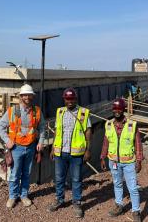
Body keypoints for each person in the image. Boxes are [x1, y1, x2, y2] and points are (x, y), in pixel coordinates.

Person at [0, 84, 45, 209]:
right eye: (25, 95)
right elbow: (0, 126)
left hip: (30, 147)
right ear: (21, 96)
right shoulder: (12, 111)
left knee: (26, 173)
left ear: (32, 96)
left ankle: (24, 195)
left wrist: (41, 142)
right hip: (16, 148)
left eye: (29, 95)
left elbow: (42, 128)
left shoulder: (37, 111)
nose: (27, 97)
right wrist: (7, 140)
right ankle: (13, 196)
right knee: (14, 174)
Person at [48, 87, 92, 218]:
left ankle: (77, 202)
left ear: (76, 99)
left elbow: (88, 132)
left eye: (72, 99)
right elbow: (57, 131)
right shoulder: (60, 112)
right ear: (64, 99)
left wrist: (88, 150)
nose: (70, 101)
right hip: (60, 152)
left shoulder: (83, 113)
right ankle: (59, 199)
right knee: (59, 178)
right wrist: (52, 148)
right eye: (67, 99)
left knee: (76, 179)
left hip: (76, 153)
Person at [100, 98, 143, 222]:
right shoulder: (108, 124)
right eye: (115, 109)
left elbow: (138, 144)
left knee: (133, 187)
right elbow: (105, 142)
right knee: (117, 184)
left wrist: (139, 161)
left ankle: (136, 211)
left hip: (129, 161)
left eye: (119, 109)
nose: (117, 111)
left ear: (123, 109)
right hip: (113, 161)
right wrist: (102, 157)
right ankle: (119, 205)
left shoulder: (132, 125)